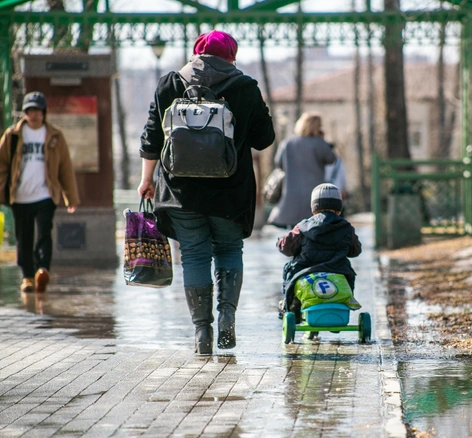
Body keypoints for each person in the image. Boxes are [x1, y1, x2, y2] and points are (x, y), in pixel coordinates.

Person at [138, 30, 275, 354]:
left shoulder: (170, 84)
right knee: (229, 250)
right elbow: (264, 139)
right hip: (230, 191)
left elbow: (151, 138)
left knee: (194, 255)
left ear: (196, 53)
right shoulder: (245, 87)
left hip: (181, 192)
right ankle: (227, 315)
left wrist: (147, 179)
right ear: (231, 56)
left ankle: (202, 333)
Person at [0, 91, 80, 294]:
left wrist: (71, 197)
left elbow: (65, 168)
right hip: (19, 195)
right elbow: (1, 164)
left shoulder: (54, 135)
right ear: (25, 113)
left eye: (37, 110)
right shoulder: (13, 135)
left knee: (44, 233)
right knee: (23, 236)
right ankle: (27, 276)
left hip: (46, 194)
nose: (34, 114)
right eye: (29, 110)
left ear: (44, 112)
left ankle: (42, 270)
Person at [276, 183, 362, 322]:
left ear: (314, 207)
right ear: (339, 208)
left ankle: (291, 305)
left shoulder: (302, 227)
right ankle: (342, 303)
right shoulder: (346, 228)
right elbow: (355, 250)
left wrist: (280, 242)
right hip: (338, 271)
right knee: (349, 272)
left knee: (289, 269)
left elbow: (288, 248)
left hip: (306, 272)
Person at [267, 113, 336, 229]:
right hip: (313, 194)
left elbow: (278, 163)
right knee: (312, 227)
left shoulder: (288, 143)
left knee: (294, 230)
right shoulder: (319, 143)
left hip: (291, 194)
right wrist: (323, 140)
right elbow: (331, 159)